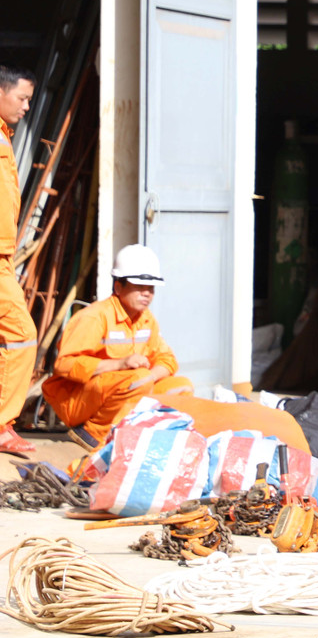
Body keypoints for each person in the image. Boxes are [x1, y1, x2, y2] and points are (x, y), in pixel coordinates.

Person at [42, 245, 194, 450]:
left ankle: (150, 439)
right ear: (118, 287)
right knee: (138, 378)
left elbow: (167, 359)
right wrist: (120, 364)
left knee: (182, 386)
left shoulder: (146, 319)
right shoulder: (95, 317)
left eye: (151, 288)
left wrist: (150, 378)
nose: (147, 294)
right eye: (139, 286)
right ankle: (92, 433)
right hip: (75, 400)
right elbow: (64, 364)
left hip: (125, 389)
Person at [0, 65, 37, 455]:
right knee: (22, 335)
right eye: (22, 98)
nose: (27, 106)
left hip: (4, 254)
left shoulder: (4, 136)